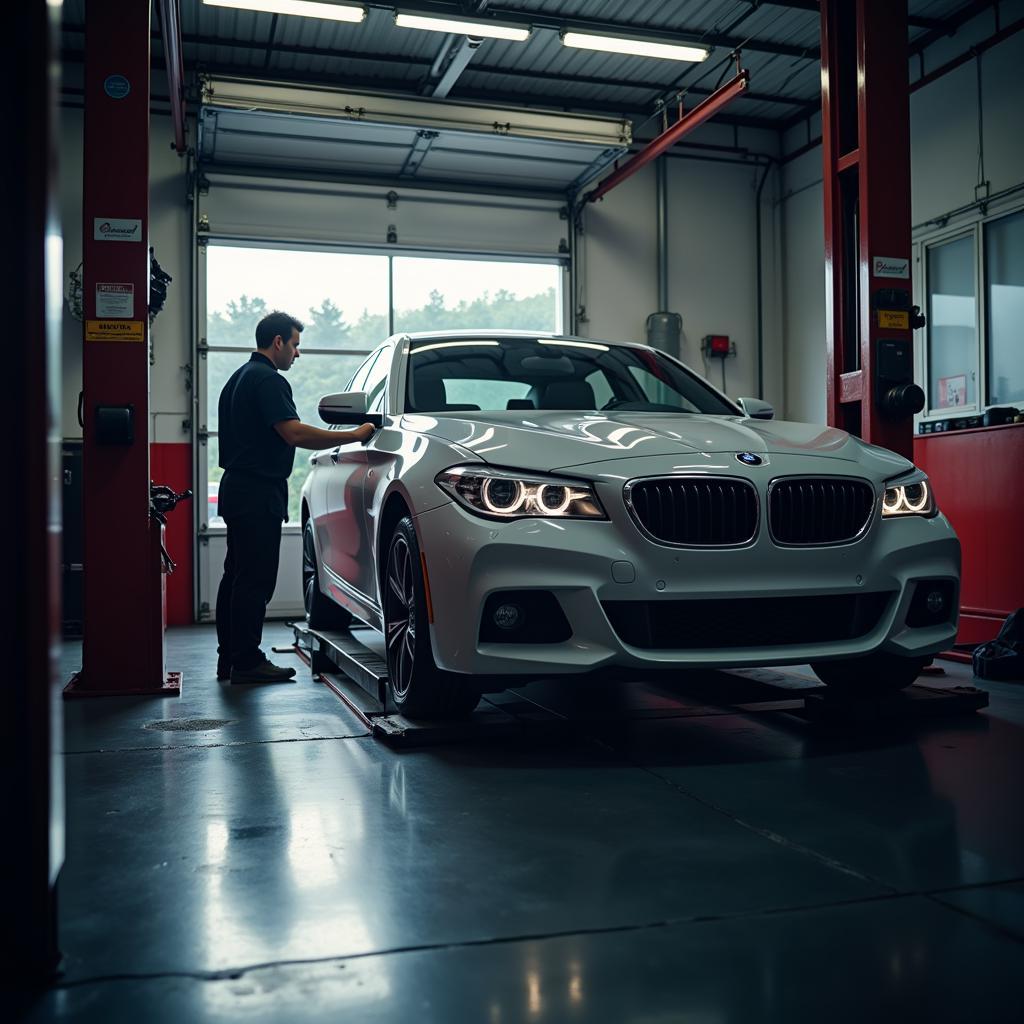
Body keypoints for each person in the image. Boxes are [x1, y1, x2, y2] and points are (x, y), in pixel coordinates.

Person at [215, 310, 374, 683]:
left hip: (237, 489)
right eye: (295, 345)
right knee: (255, 579)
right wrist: (355, 434)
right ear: (278, 343)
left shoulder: (236, 379)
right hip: (257, 492)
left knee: (235, 577)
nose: (297, 355)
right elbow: (295, 434)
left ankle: (231, 658)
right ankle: (248, 661)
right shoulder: (268, 381)